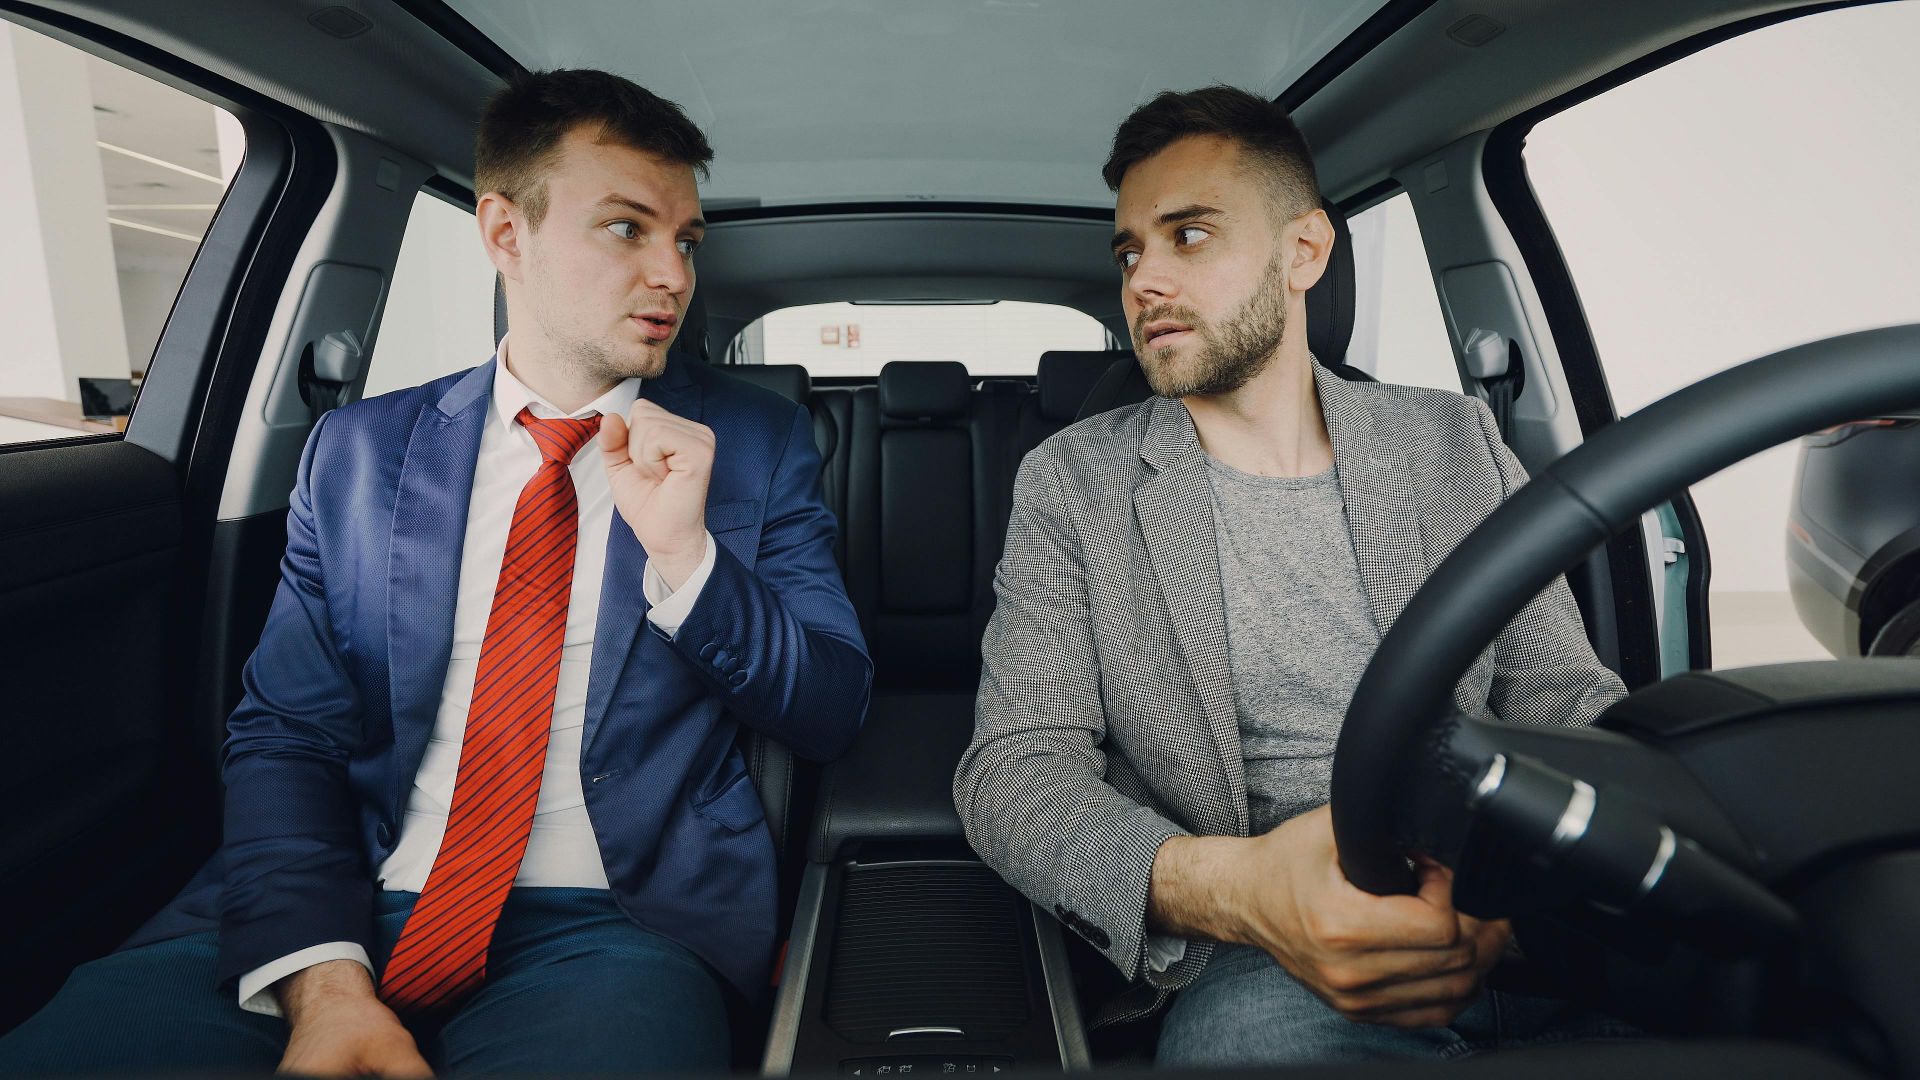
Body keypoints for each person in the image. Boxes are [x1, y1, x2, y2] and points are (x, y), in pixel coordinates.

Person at [1, 69, 870, 1076]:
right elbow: (288, 731)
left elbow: (830, 708)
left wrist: (688, 557)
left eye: (686, 240)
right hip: (332, 898)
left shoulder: (757, 444)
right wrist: (324, 981)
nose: (672, 273)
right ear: (504, 232)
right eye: (627, 228)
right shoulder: (359, 452)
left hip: (616, 924)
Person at [954, 86, 1633, 1067]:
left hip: (1514, 914)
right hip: (1267, 959)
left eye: (1188, 235)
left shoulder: (1453, 440)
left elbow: (1564, 701)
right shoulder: (1074, 482)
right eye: (1130, 252)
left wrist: (1519, 895)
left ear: (1305, 251)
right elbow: (1015, 770)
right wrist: (1244, 892)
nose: (1143, 280)